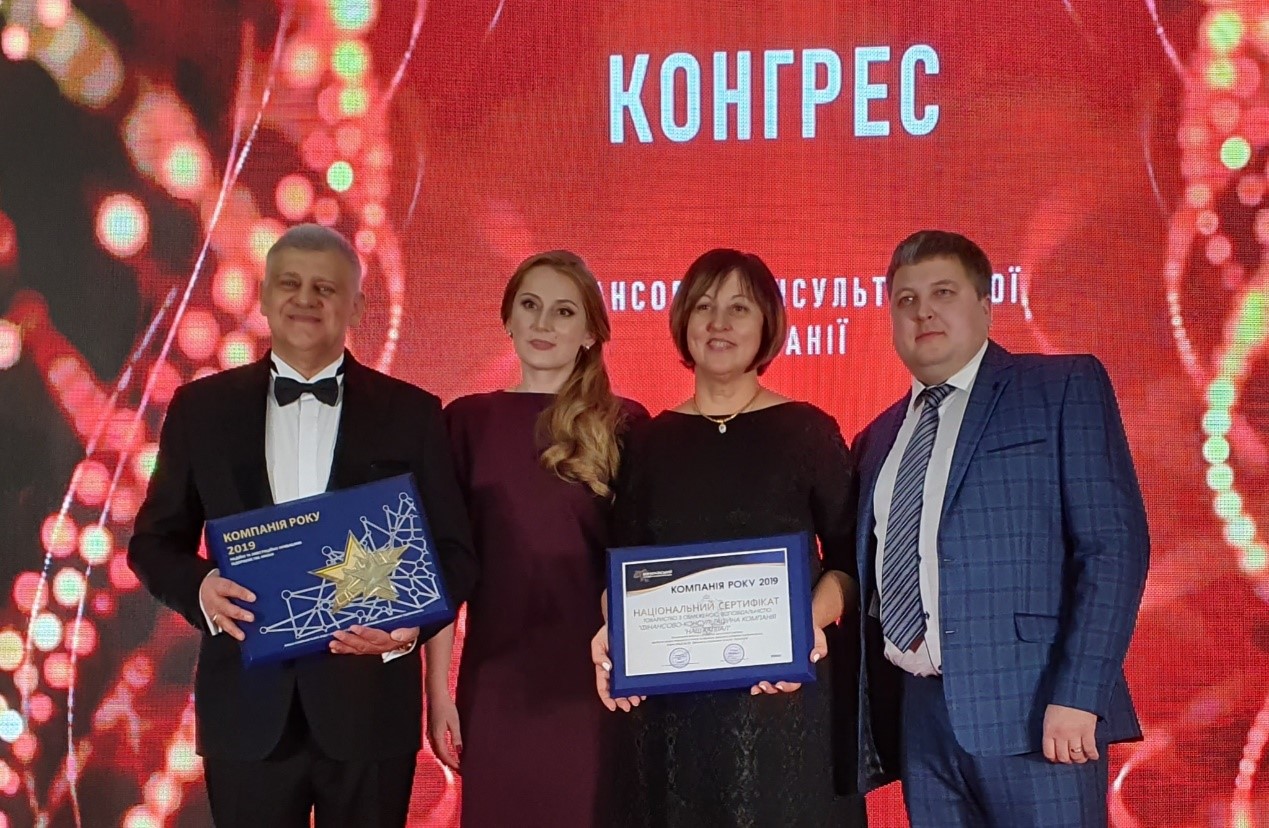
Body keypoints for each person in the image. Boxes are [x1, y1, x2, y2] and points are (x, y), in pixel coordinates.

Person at [127, 223, 479, 828]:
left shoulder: (413, 413)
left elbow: (456, 552)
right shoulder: (200, 410)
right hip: (245, 712)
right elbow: (153, 543)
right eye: (289, 284)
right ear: (264, 297)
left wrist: (408, 628)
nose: (306, 299)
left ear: (357, 307)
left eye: (325, 287)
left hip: (371, 711)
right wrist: (201, 588)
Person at [851, 230, 1149, 827]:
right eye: (906, 299)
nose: (923, 311)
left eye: (943, 292)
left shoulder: (1060, 387)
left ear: (986, 306)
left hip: (1039, 715)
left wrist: (1080, 693)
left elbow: (1113, 547)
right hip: (922, 721)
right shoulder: (877, 438)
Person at [591, 248, 867, 826]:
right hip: (672, 720)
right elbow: (621, 569)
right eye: (704, 306)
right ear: (683, 321)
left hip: (784, 706)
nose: (719, 322)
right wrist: (613, 630)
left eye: (739, 307)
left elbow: (851, 563)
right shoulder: (647, 441)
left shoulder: (808, 431)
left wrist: (805, 625)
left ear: (767, 324)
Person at [424, 251, 647, 826]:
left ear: (591, 333)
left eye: (564, 311)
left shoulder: (625, 424)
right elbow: (443, 568)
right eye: (530, 305)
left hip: (598, 681)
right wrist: (438, 690)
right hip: (495, 681)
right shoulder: (465, 422)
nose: (543, 323)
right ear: (508, 318)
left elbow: (643, 562)